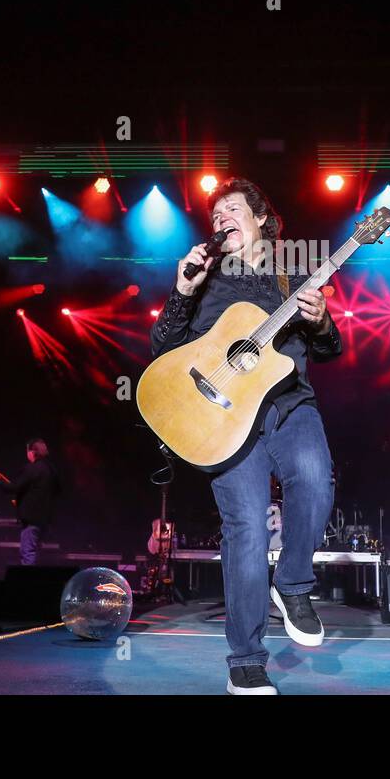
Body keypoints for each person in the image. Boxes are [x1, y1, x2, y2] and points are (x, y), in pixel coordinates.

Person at [149, 177, 342, 695]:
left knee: (314, 480)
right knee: (247, 533)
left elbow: (331, 348)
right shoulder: (204, 277)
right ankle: (246, 662)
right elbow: (162, 345)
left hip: (288, 401)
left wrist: (322, 321)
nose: (221, 220)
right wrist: (181, 292)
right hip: (224, 414)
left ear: (260, 218)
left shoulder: (293, 270)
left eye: (232, 210)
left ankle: (294, 583)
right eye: (214, 216)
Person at [0, 439, 61, 566]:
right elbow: (57, 491)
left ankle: (27, 582)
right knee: (35, 551)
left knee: (27, 552)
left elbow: (14, 487)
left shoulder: (32, 469)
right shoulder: (52, 470)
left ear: (32, 452)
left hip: (32, 519)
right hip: (46, 520)